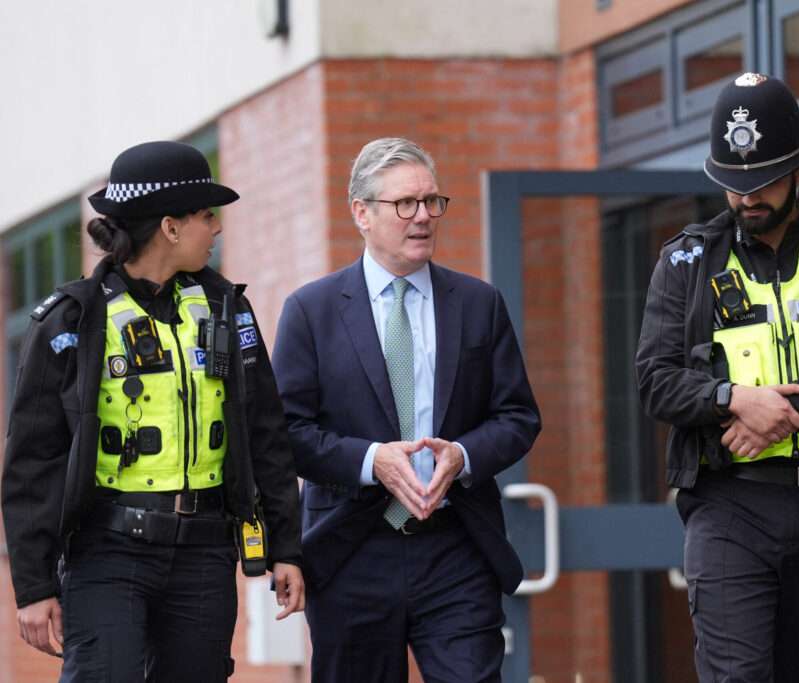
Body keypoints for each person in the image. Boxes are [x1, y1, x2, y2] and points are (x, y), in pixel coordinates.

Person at [2, 141, 304, 681]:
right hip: (107, 556)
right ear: (170, 226)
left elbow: (266, 434)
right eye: (205, 215)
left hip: (206, 556)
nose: (215, 228)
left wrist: (286, 547)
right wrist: (34, 585)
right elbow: (32, 461)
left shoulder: (227, 308)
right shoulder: (70, 321)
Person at [635, 73, 799, 682]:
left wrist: (785, 412)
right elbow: (654, 378)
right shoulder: (686, 262)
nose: (746, 199)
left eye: (762, 183)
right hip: (730, 504)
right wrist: (734, 398)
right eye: (733, 185)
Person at [272, 136, 541, 682]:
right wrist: (373, 461)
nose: (423, 217)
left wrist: (463, 455)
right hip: (351, 552)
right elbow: (286, 433)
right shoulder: (312, 311)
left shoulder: (477, 303)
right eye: (405, 204)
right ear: (362, 213)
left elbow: (517, 416)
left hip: (456, 547)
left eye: (432, 202)